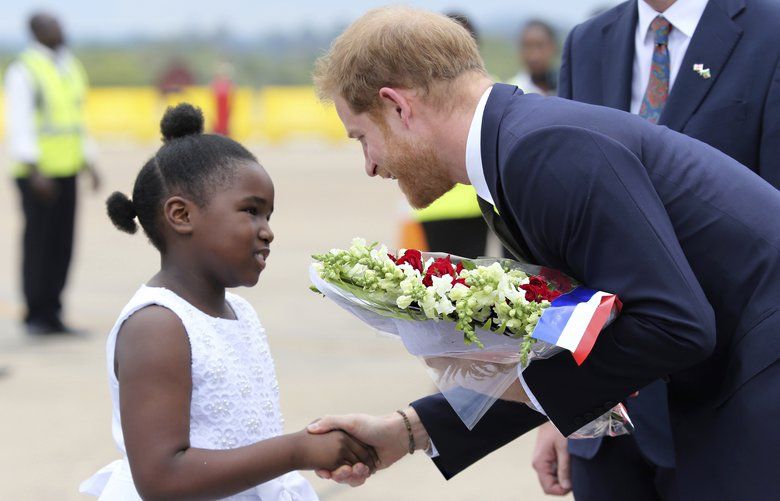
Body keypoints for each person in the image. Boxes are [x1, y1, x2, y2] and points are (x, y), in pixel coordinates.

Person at [307, 7, 780, 500]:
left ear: (398, 106)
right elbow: (592, 337)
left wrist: (516, 391)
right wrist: (409, 430)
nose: (370, 165)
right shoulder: (516, 147)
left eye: (362, 137)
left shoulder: (542, 153)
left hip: (756, 380)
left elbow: (673, 325)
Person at [532, 1, 780, 498]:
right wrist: (552, 409)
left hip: (732, 400)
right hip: (607, 414)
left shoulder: (769, 29)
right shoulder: (589, 41)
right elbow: (565, 240)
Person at [79, 104, 376, 500]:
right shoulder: (157, 326)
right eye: (251, 211)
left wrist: (317, 442)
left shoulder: (240, 312)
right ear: (181, 215)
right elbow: (160, 478)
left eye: (268, 215)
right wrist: (296, 450)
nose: (267, 232)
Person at [3, 12, 100, 335]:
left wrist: (90, 161)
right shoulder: (24, 69)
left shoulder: (70, 66)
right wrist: (33, 169)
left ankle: (54, 311)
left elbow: (76, 118)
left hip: (67, 169)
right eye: (53, 26)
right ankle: (36, 314)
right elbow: (20, 123)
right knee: (39, 245)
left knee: (62, 244)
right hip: (38, 174)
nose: (61, 29)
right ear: (36, 31)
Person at [405, 11, 489, 259]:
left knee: (471, 284)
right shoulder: (413, 96)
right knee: (439, 283)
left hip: (477, 207)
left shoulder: (491, 91)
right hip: (436, 207)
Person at [507, 20, 559, 96]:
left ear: (553, 47)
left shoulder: (566, 87)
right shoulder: (512, 92)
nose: (534, 56)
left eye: (540, 46)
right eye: (527, 46)